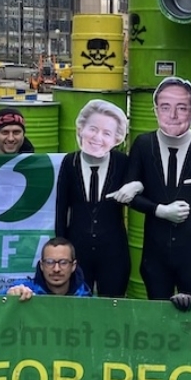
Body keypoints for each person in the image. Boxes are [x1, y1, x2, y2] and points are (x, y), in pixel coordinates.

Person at [115, 77, 191, 299]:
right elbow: (128, 195)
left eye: (182, 108)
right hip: (155, 256)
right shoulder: (144, 145)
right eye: (165, 108)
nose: (173, 115)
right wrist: (160, 210)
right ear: (155, 110)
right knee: (158, 316)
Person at [56, 100, 132, 297]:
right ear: (81, 129)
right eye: (92, 129)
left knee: (113, 302)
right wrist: (61, 249)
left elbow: (140, 193)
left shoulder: (122, 163)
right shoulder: (69, 162)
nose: (97, 138)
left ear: (117, 138)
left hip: (114, 250)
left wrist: (137, 186)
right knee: (77, 303)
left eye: (107, 133)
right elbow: (61, 208)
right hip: (78, 248)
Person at [1, 237, 92, 300]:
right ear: (41, 265)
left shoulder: (86, 299)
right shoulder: (26, 289)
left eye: (63, 262)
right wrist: (9, 296)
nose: (56, 269)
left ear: (73, 266)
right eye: (50, 262)